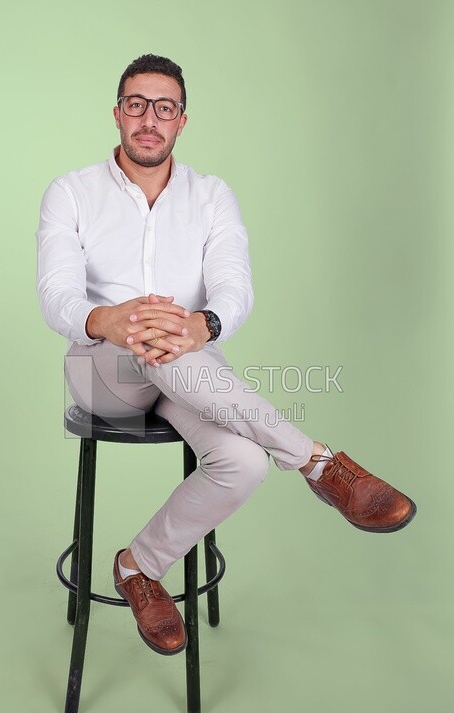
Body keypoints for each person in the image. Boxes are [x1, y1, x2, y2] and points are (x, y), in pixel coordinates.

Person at [36, 54, 416, 657]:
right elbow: (56, 295)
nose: (149, 119)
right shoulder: (72, 192)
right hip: (102, 370)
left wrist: (202, 323)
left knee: (244, 462)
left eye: (164, 108)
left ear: (181, 121)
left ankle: (137, 567)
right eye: (137, 105)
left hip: (187, 371)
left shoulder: (211, 197)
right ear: (117, 114)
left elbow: (235, 288)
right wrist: (112, 319)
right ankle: (319, 463)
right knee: (152, 336)